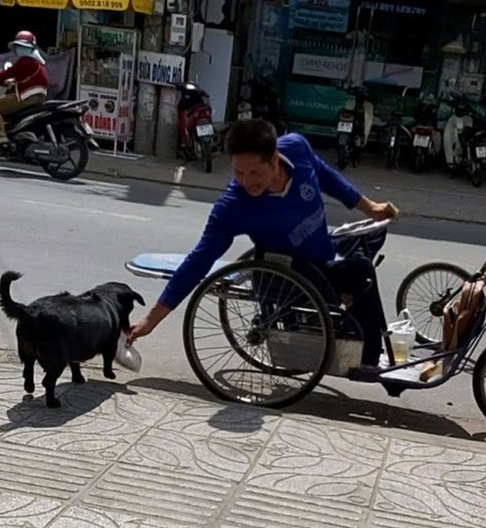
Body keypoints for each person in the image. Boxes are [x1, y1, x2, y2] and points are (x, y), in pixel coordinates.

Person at [126, 119, 399, 369]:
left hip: (324, 254)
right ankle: (370, 361)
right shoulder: (233, 207)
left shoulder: (297, 148)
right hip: (293, 277)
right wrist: (152, 319)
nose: (246, 182)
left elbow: (326, 176)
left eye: (254, 173)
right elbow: (199, 261)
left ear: (275, 160)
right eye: (238, 173)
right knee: (362, 272)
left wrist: (370, 207)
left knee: (371, 237)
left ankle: (361, 319)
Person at [0, 30, 48, 147]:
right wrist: (12, 81)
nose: (18, 48)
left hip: (27, 94)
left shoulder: (26, 60)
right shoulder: (35, 61)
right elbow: (21, 76)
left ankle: (1, 136)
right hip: (36, 94)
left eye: (21, 46)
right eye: (18, 46)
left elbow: (8, 73)